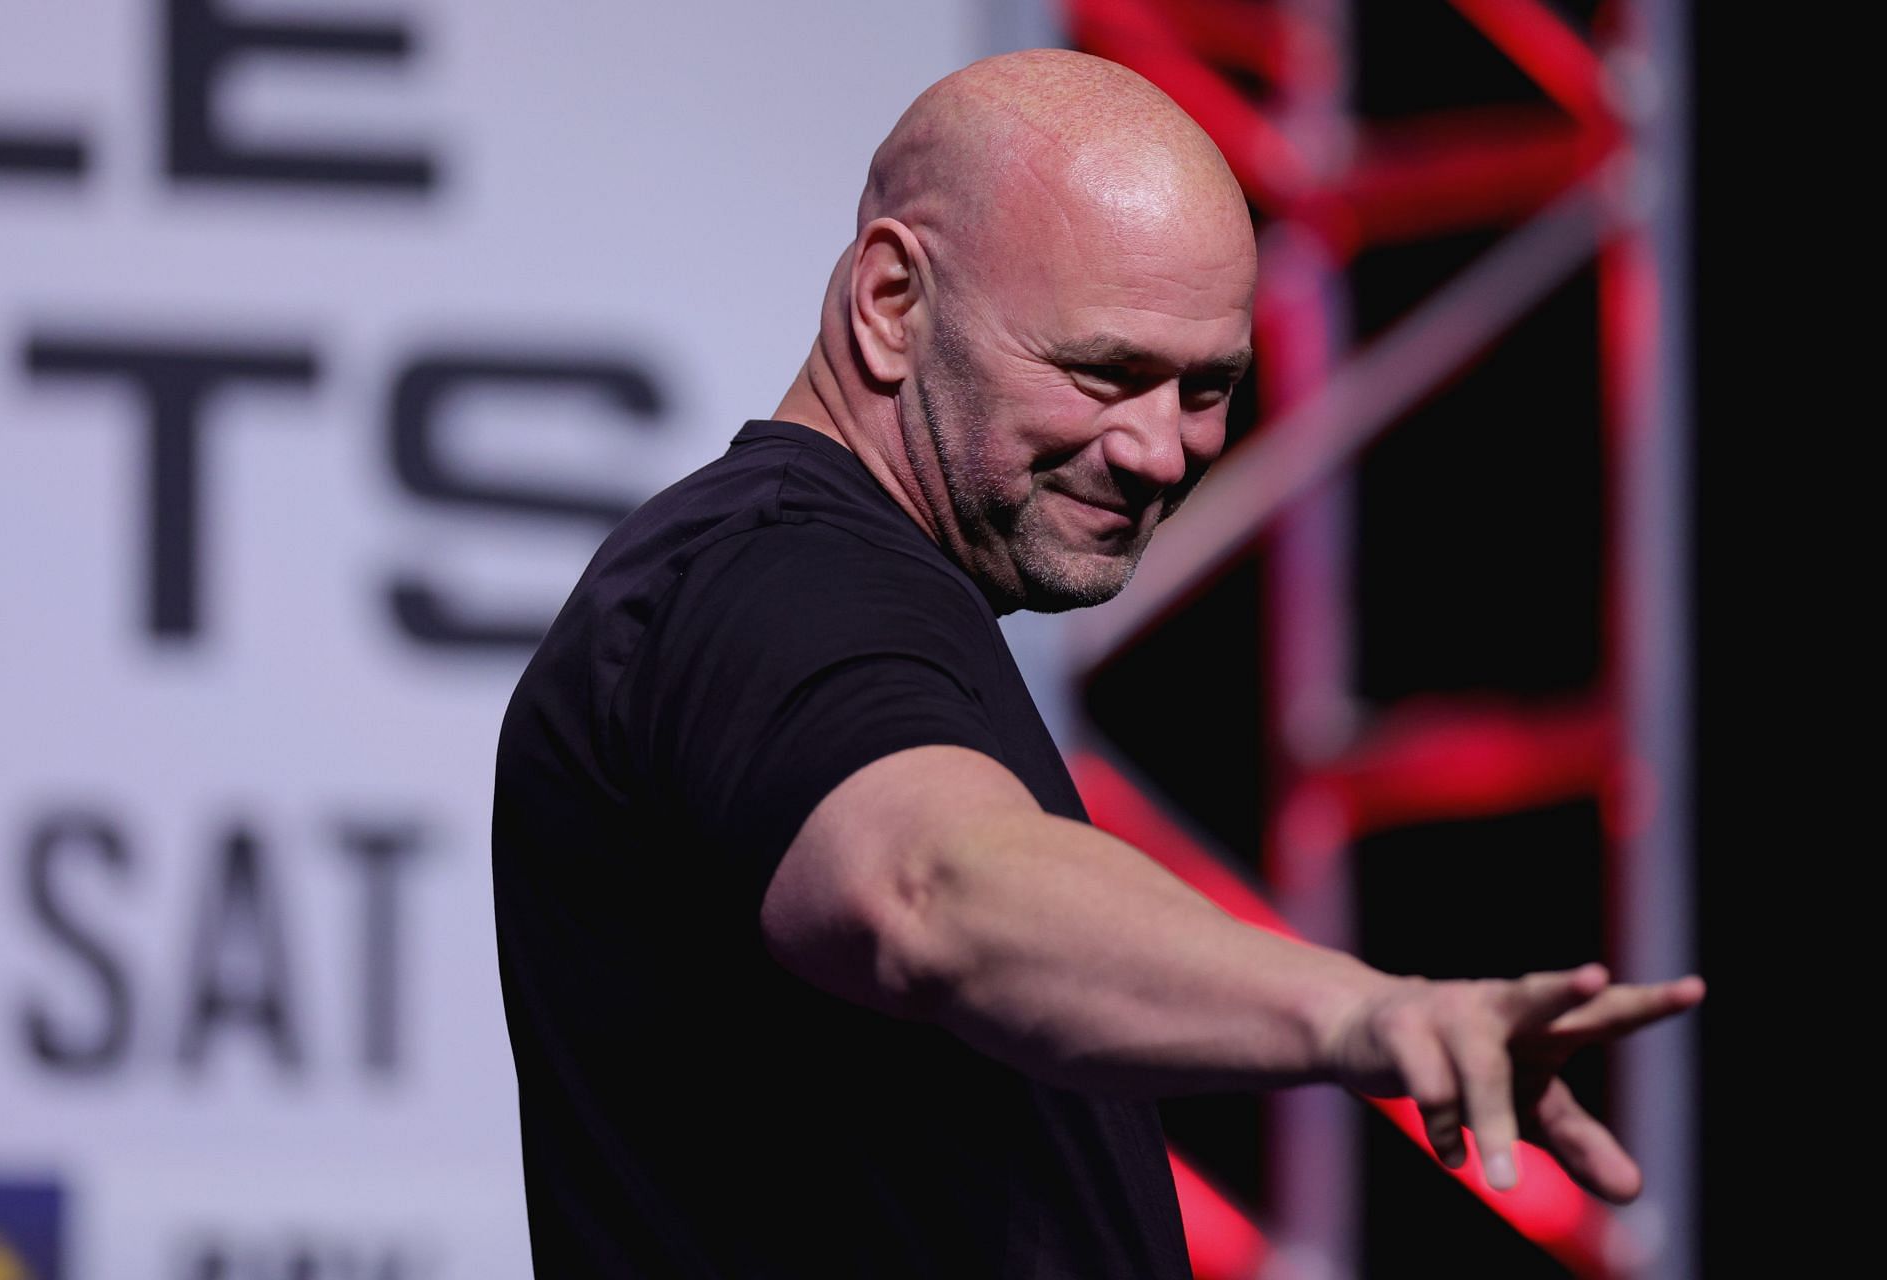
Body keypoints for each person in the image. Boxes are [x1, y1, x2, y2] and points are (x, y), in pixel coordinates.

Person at [491, 48, 1704, 1278]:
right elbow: (933, 884)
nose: (1162, 452)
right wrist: (1363, 1013)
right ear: (892, 303)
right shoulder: (771, 577)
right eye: (1106, 372)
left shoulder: (841, 583)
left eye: (1208, 387)